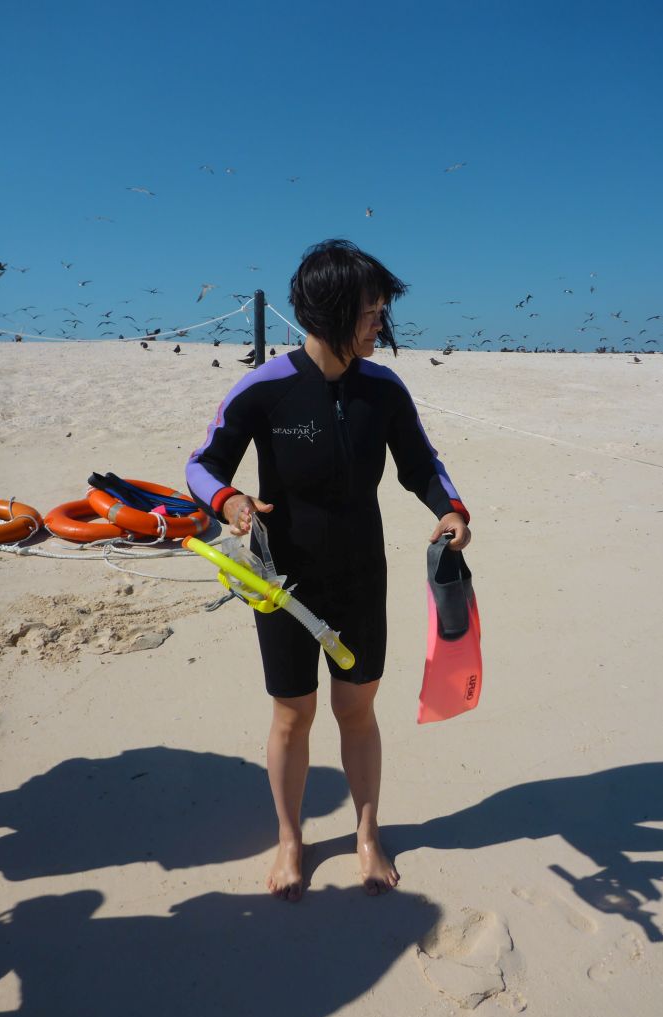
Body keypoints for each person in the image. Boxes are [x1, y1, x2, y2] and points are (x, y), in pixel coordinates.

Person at [186, 239, 471, 900]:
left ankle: (367, 837)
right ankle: (292, 840)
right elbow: (202, 466)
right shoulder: (267, 388)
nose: (380, 324)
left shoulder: (383, 389)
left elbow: (421, 464)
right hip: (283, 585)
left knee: (357, 710)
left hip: (360, 577)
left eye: (380, 311)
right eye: (371, 312)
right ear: (332, 313)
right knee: (293, 713)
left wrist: (451, 509)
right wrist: (228, 500)